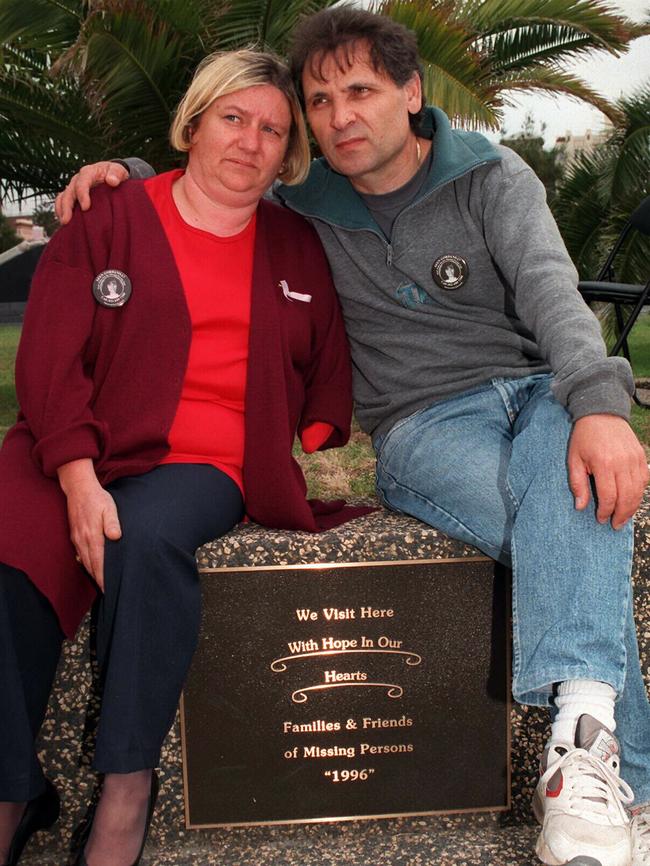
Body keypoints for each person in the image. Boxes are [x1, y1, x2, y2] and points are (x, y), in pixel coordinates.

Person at [55, 9, 650, 866]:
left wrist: (597, 405)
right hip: (425, 426)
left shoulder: (491, 175)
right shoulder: (305, 202)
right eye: (321, 99)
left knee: (577, 477)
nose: (340, 117)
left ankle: (585, 761)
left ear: (411, 93)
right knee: (576, 509)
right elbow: (210, 181)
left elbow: (554, 292)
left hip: (538, 396)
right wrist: (128, 170)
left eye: (361, 92)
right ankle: (626, 766)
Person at [0, 47, 370, 866]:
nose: (250, 141)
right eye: (233, 118)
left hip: (204, 458)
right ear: (195, 123)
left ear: (289, 152)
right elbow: (50, 356)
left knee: (148, 536)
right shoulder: (112, 212)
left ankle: (127, 789)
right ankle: (10, 789)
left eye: (273, 130)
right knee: (6, 557)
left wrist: (313, 434)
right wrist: (77, 480)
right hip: (69, 440)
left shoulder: (295, 243)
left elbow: (329, 360)